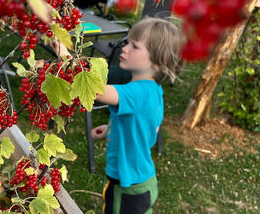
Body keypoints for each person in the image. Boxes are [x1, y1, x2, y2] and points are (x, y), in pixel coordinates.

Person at [51, 18, 184, 214]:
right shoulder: (152, 91)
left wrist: (64, 54)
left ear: (159, 61)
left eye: (135, 46)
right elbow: (151, 128)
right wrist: (110, 129)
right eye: (128, 42)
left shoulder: (138, 93)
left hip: (128, 187)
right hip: (141, 181)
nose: (125, 48)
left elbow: (94, 90)